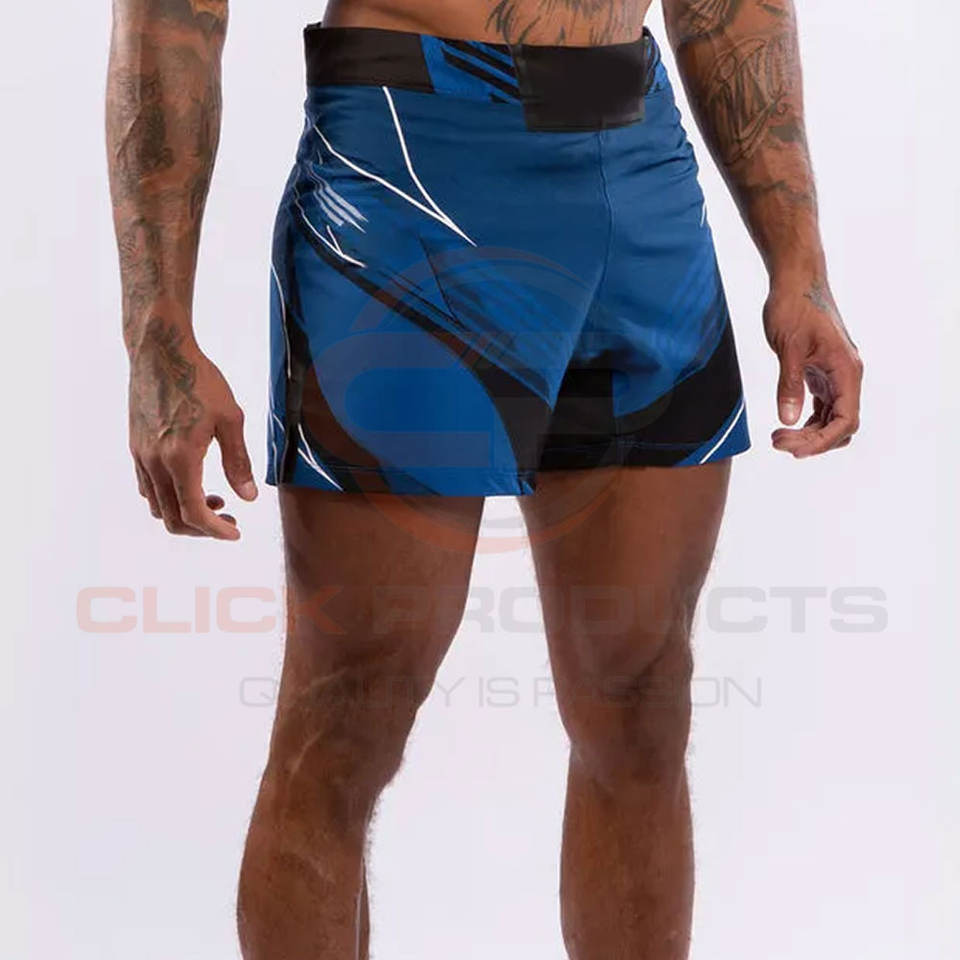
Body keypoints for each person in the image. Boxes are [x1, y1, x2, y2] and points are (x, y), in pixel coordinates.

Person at [105, 0, 863, 956]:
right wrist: (158, 333)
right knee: (349, 707)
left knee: (642, 697)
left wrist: (798, 260)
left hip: (637, 183)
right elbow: (171, 15)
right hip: (408, 166)